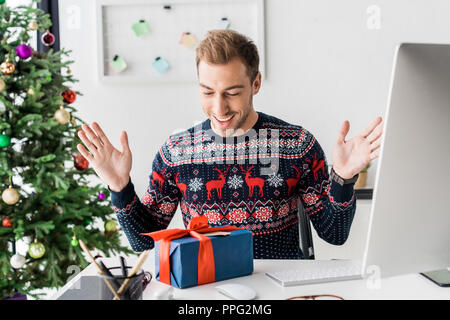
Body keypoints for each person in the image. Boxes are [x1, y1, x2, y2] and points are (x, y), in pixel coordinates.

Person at [77, 30, 383, 259]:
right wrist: (120, 187)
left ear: (256, 83)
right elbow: (145, 242)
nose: (219, 108)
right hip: (206, 288)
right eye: (207, 92)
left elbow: (335, 234)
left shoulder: (297, 145)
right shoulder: (176, 153)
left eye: (232, 92)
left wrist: (342, 178)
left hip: (280, 288)